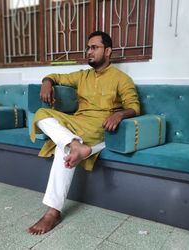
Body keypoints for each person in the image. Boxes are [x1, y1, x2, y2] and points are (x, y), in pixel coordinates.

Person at [28, 31, 140, 235]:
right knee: (42, 113)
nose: (89, 52)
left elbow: (134, 106)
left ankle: (52, 212)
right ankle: (75, 144)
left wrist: (120, 115)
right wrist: (47, 82)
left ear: (108, 51)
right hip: (78, 123)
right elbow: (56, 76)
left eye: (94, 47)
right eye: (87, 48)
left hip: (100, 126)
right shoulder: (82, 75)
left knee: (65, 149)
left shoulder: (121, 79)